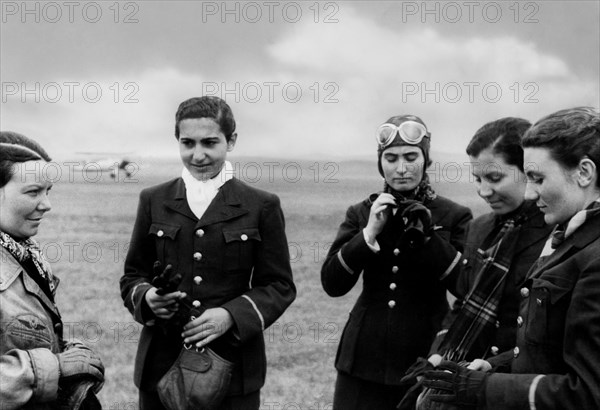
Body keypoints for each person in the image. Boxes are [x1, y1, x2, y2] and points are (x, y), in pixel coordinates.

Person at [120, 96, 296, 410]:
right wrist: (147, 298)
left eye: (210, 142)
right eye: (187, 143)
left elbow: (279, 286)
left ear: (232, 141)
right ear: (177, 141)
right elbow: (133, 275)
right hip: (161, 369)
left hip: (233, 369)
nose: (198, 155)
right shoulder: (153, 199)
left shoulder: (261, 205)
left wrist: (231, 316)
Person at [422, 107, 600, 409]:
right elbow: (547, 350)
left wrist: (486, 386)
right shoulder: (569, 236)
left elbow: (587, 393)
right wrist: (496, 366)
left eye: (538, 178)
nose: (530, 194)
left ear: (584, 172)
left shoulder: (590, 255)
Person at [398, 118, 555, 409]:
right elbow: (463, 303)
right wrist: (438, 355)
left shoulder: (554, 233)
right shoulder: (480, 228)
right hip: (461, 382)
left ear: (529, 170)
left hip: (515, 388)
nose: (483, 191)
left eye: (494, 178)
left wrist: (492, 366)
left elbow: (550, 337)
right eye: (477, 179)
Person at [321, 115, 472, 409]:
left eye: (410, 156)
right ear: (381, 163)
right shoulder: (362, 212)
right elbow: (332, 284)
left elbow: (466, 287)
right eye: (390, 158)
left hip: (424, 354)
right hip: (363, 356)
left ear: (426, 159)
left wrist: (429, 237)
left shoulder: (453, 215)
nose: (401, 168)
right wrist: (368, 233)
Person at [0, 131, 105, 409]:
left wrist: (66, 352)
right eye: (33, 191)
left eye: (48, 191)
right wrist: (55, 368)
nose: (47, 205)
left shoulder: (25, 255)